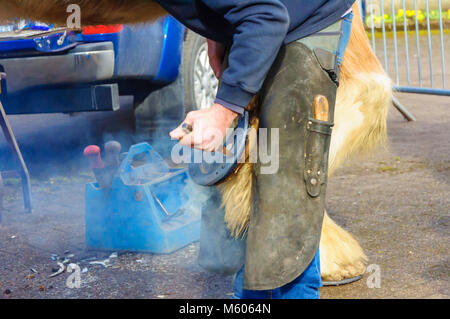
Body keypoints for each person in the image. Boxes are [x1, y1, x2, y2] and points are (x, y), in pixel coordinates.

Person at [165, 0, 355, 299]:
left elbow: (266, 15)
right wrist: (216, 33)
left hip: (303, 20)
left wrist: (222, 111)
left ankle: (287, 293)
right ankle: (254, 291)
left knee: (287, 176)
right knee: (257, 167)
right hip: (262, 20)